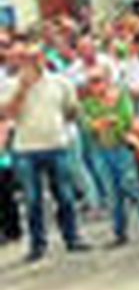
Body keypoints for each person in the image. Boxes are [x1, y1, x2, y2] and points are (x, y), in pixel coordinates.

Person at [1, 45, 89, 261]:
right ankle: (37, 244)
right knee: (32, 200)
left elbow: (71, 110)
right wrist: (22, 89)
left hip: (57, 145)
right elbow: (6, 113)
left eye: (35, 57)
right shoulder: (10, 84)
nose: (32, 62)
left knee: (65, 196)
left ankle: (72, 236)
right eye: (26, 58)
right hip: (26, 149)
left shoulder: (60, 82)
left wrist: (63, 122)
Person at [79, 66, 139, 245]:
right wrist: (103, 122)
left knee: (133, 187)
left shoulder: (121, 97)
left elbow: (126, 120)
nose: (95, 85)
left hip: (122, 148)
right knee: (112, 193)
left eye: (98, 80)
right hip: (100, 151)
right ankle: (119, 233)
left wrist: (105, 121)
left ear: (108, 80)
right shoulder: (88, 103)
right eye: (91, 82)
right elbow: (87, 125)